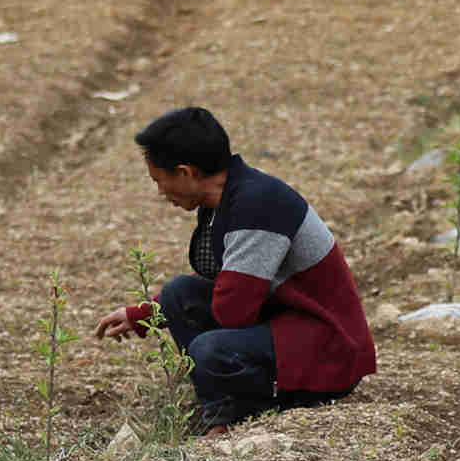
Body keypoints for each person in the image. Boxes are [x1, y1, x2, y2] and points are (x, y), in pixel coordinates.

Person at [95, 106, 377, 432]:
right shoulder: (228, 198)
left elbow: (234, 312)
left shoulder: (257, 205)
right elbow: (223, 287)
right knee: (178, 295)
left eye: (160, 181)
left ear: (186, 173)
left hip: (329, 347)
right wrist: (145, 314)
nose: (161, 192)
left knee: (210, 350)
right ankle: (220, 401)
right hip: (288, 320)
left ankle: (232, 415)